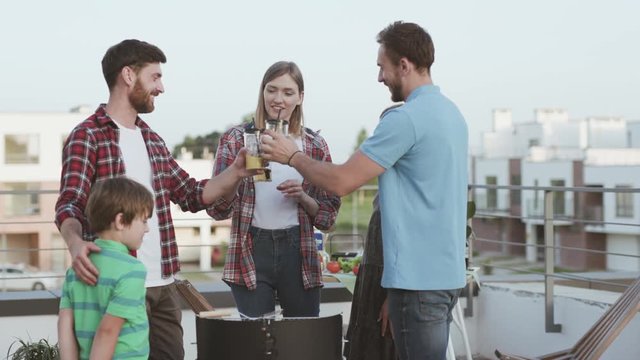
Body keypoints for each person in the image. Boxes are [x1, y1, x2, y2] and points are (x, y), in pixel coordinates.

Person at [261, 21, 468, 360]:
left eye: (381, 67)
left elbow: (343, 180)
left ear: (404, 65)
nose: (379, 77)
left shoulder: (406, 119)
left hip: (418, 284)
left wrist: (293, 156)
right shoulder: (451, 114)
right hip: (446, 276)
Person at [55, 39, 256, 359]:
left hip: (163, 285)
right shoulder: (88, 135)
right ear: (128, 76)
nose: (161, 87)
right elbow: (69, 202)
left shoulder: (153, 140)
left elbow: (191, 194)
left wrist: (235, 171)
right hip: (114, 282)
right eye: (155, 77)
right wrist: (75, 244)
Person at [207, 61, 341, 318]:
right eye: (272, 90)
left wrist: (303, 196)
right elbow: (217, 210)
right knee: (257, 342)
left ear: (300, 98)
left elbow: (328, 218)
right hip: (250, 249)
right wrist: (236, 174)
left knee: (302, 340)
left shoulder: (314, 145)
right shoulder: (237, 139)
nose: (278, 99)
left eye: (288, 92)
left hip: (299, 249)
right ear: (262, 92)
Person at [58, 177, 154, 360]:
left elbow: (64, 325)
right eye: (143, 221)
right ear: (120, 221)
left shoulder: (75, 270)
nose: (147, 229)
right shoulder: (132, 270)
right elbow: (107, 331)